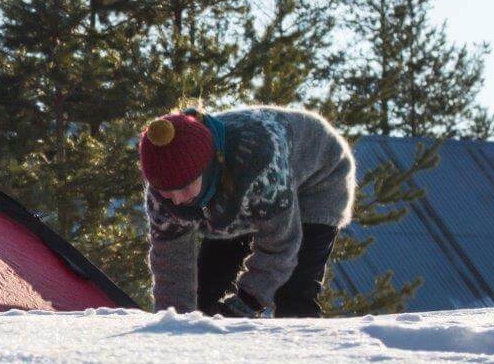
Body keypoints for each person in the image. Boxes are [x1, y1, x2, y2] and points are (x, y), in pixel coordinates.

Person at [139, 105, 356, 318]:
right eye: (166, 191)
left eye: (185, 187)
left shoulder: (259, 164)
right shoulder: (161, 194)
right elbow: (171, 265)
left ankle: (301, 339)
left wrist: (248, 301)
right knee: (205, 295)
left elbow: (281, 246)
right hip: (241, 193)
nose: (176, 200)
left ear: (207, 168)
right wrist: (174, 321)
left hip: (319, 176)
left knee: (294, 294)